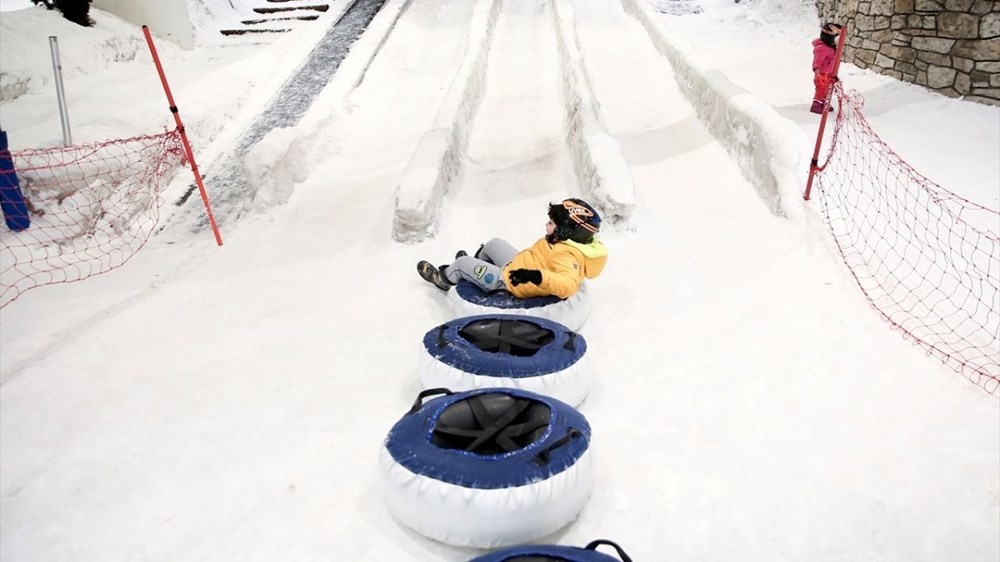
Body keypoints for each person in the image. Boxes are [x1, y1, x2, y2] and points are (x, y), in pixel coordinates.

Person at [417, 198, 608, 300]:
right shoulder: (566, 243)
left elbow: (568, 285)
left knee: (461, 263)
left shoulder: (567, 255)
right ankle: (475, 270)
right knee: (493, 243)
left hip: (509, 282)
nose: (546, 225)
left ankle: (444, 278)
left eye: (551, 223)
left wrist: (536, 276)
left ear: (565, 230)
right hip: (518, 264)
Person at [811, 22, 842, 114]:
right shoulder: (822, 48)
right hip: (822, 74)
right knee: (821, 89)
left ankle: (824, 103)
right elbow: (818, 60)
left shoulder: (831, 48)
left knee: (827, 90)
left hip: (829, 73)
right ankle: (816, 105)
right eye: (837, 39)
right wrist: (817, 71)